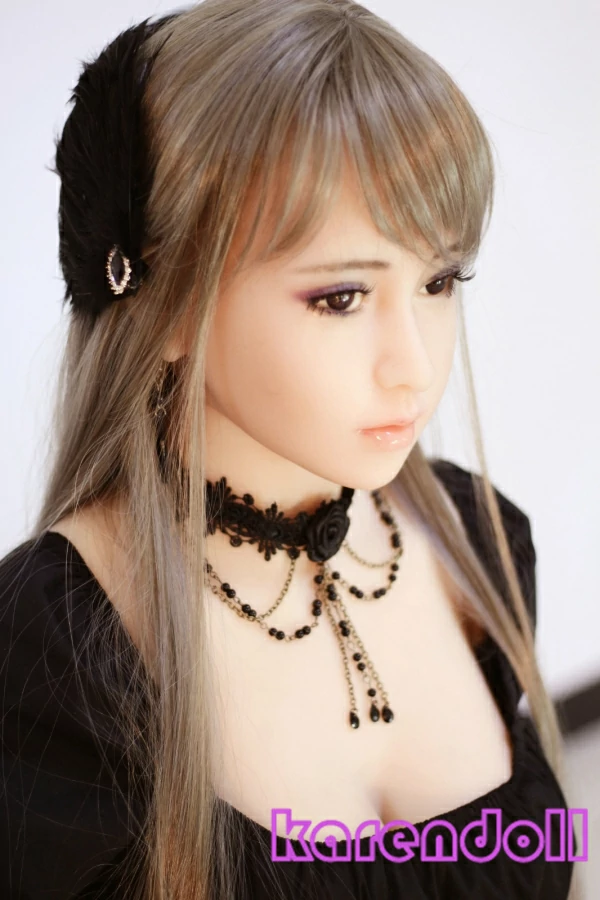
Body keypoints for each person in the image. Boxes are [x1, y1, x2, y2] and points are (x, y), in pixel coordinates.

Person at [0, 1, 577, 898]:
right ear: (163, 303)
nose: (414, 365)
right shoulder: (52, 654)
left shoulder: (478, 541)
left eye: (439, 281)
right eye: (340, 297)